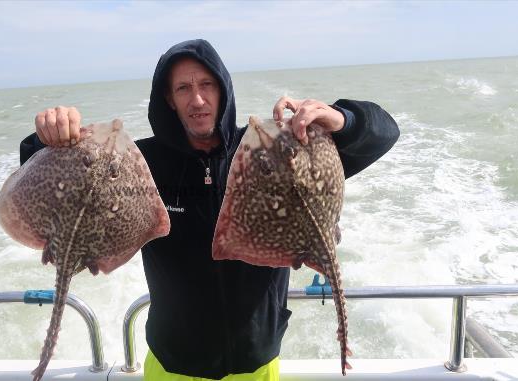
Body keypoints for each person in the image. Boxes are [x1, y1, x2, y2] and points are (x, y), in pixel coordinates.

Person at [20, 39, 400, 380]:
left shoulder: (270, 152)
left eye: (206, 85)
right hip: (173, 364)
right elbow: (56, 184)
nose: (197, 99)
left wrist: (342, 119)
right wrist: (46, 140)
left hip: (257, 360)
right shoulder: (143, 162)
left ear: (223, 90)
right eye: (183, 88)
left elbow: (383, 134)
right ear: (169, 98)